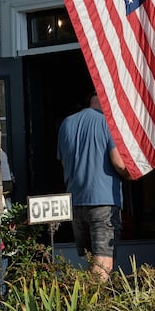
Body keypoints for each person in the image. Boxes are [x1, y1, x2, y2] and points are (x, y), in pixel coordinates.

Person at [56, 92, 128, 278]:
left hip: (75, 201)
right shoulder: (108, 123)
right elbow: (119, 163)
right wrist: (133, 173)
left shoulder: (67, 123)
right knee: (104, 263)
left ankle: (90, 300)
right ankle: (93, 306)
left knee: (91, 260)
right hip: (103, 201)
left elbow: (63, 162)